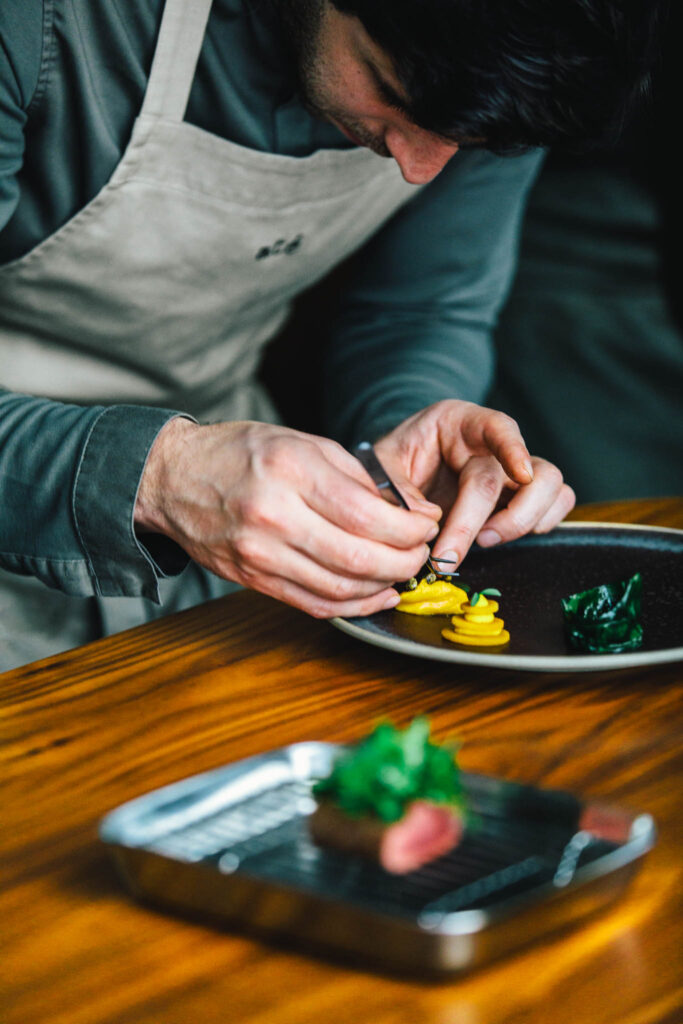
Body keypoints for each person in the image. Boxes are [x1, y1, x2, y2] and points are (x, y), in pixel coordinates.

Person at [0, 0, 659, 671]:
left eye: (467, 142)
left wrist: (407, 446)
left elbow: (417, 310)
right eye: (391, 90)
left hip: (230, 559)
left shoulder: (497, 81)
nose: (420, 167)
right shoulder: (38, 24)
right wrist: (160, 475)